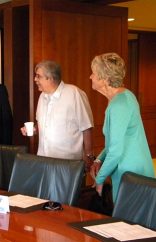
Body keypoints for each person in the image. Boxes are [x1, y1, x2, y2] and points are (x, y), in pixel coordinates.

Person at [89, 52, 155, 202]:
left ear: (104, 79)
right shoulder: (123, 97)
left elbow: (116, 150)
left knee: (130, 221)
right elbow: (116, 140)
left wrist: (100, 179)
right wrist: (99, 160)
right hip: (131, 169)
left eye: (93, 73)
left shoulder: (120, 104)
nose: (90, 77)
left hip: (132, 174)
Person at [21, 60, 94, 168]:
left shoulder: (74, 93)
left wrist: (89, 156)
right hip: (43, 161)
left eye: (38, 76)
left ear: (50, 78)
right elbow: (42, 125)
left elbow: (86, 127)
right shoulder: (42, 97)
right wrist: (34, 130)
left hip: (68, 164)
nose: (35, 79)